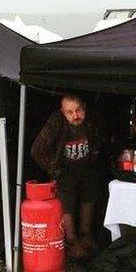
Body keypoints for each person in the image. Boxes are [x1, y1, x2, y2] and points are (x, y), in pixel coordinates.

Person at [32, 94, 101, 259]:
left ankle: (86, 236)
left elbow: (98, 139)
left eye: (78, 110)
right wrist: (54, 170)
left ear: (84, 107)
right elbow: (37, 150)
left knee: (89, 197)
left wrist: (94, 157)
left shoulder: (92, 118)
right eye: (69, 112)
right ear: (62, 112)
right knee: (66, 203)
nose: (75, 115)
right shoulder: (56, 122)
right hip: (65, 169)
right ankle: (72, 242)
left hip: (87, 166)